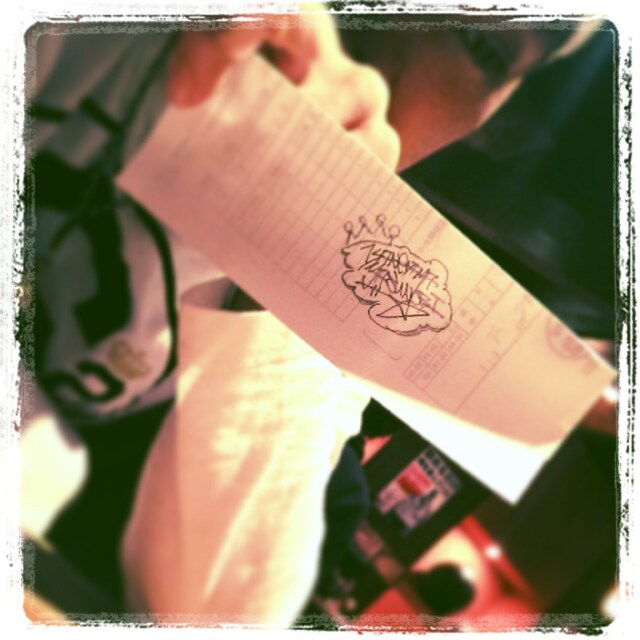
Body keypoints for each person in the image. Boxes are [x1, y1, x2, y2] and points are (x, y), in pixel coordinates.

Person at [23, 5, 612, 625]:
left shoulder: (328, 379)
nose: (366, 52)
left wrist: (295, 273)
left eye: (479, 43)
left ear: (495, 128)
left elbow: (216, 617)